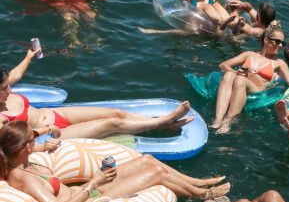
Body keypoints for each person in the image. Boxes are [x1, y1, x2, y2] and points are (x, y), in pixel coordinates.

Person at [0, 120, 229, 202]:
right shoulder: (21, 177)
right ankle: (203, 195)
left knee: (148, 160)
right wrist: (95, 183)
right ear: (24, 147)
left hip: (83, 191)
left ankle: (198, 182)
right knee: (155, 175)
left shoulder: (22, 158)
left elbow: (31, 134)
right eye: (33, 138)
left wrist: (46, 130)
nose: (37, 137)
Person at [0, 49, 194, 140]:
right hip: (52, 134)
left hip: (55, 114)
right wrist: (44, 131)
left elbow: (16, 74)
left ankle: (165, 123)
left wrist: (28, 57)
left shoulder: (7, 89)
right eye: (4, 89)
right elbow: (14, 142)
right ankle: (161, 123)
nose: (10, 91)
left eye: (8, 86)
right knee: (112, 124)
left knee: (117, 113)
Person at [212, 24, 289, 132]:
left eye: (283, 43)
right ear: (266, 40)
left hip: (257, 90)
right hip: (240, 84)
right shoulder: (249, 54)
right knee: (229, 75)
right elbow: (223, 65)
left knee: (240, 80)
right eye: (277, 41)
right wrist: (236, 72)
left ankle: (227, 122)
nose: (281, 45)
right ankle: (217, 119)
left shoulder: (278, 63)